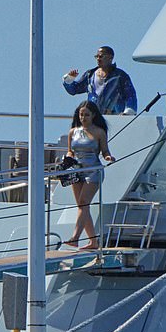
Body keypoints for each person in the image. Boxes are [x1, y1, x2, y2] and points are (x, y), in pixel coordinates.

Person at [64, 101, 115, 250]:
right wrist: (67, 158)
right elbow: (70, 151)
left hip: (93, 170)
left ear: (93, 115)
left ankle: (75, 238)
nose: (83, 117)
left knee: (84, 202)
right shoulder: (73, 132)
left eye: (86, 114)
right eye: (81, 114)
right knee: (81, 205)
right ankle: (93, 241)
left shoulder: (99, 132)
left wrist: (108, 158)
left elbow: (105, 151)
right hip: (76, 170)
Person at [62, 46, 137, 115]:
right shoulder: (90, 75)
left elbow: (130, 95)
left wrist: (129, 111)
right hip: (94, 118)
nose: (98, 58)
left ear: (110, 58)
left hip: (114, 116)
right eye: (96, 56)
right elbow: (74, 90)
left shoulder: (120, 76)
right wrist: (69, 79)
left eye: (101, 56)